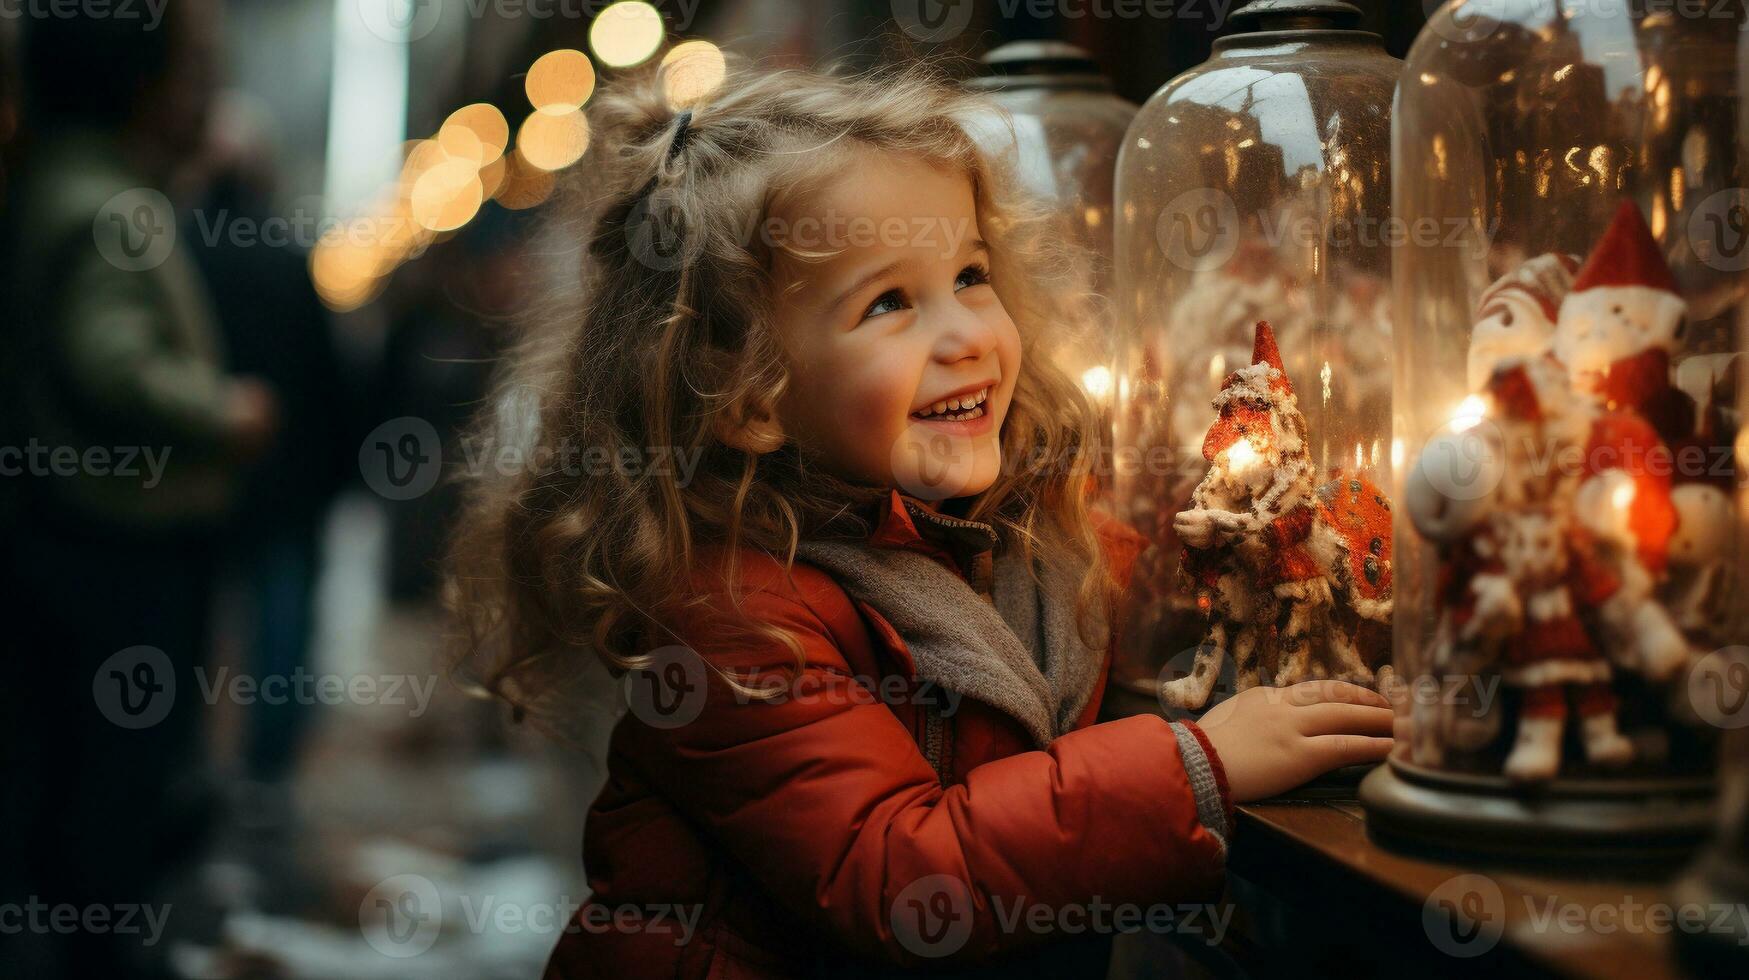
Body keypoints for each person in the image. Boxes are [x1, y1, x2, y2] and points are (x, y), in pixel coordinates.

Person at [444, 61, 1393, 979]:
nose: (968, 334)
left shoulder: (1004, 537)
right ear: (748, 398)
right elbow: (901, 873)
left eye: (971, 276)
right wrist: (1198, 763)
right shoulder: (726, 612)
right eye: (890, 301)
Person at [1, 5, 275, 976]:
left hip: (89, 535)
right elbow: (107, 361)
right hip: (113, 543)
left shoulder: (75, 183)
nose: (200, 87)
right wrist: (221, 409)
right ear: (138, 81)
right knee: (114, 784)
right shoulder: (102, 201)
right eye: (189, 65)